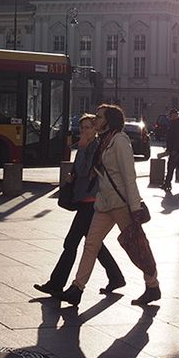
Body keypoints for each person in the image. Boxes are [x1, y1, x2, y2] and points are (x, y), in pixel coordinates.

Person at [61, 104, 160, 307]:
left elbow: (129, 176)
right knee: (91, 244)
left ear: (109, 120)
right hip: (104, 203)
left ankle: (152, 285)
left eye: (99, 117)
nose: (95, 120)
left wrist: (135, 207)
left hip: (121, 204)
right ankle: (77, 289)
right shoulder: (103, 141)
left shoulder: (120, 141)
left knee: (134, 245)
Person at [34, 114, 124, 296]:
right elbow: (79, 172)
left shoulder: (96, 147)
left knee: (72, 242)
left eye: (88, 127)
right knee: (93, 243)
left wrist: (82, 150)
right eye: (82, 128)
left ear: (95, 129)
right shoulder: (88, 146)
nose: (84, 131)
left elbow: (84, 171)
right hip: (85, 200)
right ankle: (115, 276)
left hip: (92, 202)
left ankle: (56, 284)